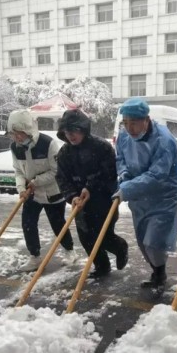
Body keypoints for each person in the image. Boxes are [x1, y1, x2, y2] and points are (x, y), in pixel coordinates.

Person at [114, 98, 177, 294]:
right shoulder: (124, 136)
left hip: (163, 195)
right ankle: (156, 271)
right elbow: (120, 158)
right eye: (126, 123)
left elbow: (157, 175)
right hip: (139, 196)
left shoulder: (163, 140)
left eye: (134, 122)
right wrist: (125, 175)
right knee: (143, 239)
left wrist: (127, 189)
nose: (129, 128)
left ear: (146, 120)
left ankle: (160, 274)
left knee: (154, 240)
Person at [55, 109, 129, 278]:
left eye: (74, 131)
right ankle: (102, 266)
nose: (71, 136)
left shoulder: (101, 147)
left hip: (103, 199)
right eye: (67, 132)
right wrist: (72, 196)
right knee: (86, 236)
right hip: (80, 203)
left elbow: (109, 173)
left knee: (103, 235)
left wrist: (90, 187)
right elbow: (62, 178)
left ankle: (120, 247)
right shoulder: (64, 153)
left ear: (83, 129)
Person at [7, 109, 75, 271]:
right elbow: (18, 171)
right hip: (31, 193)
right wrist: (21, 188)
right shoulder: (15, 148)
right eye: (13, 134)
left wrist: (36, 182)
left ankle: (69, 250)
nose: (17, 137)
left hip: (52, 192)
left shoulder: (48, 144)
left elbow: (57, 170)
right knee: (28, 224)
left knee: (57, 224)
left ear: (28, 130)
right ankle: (34, 256)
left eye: (20, 133)